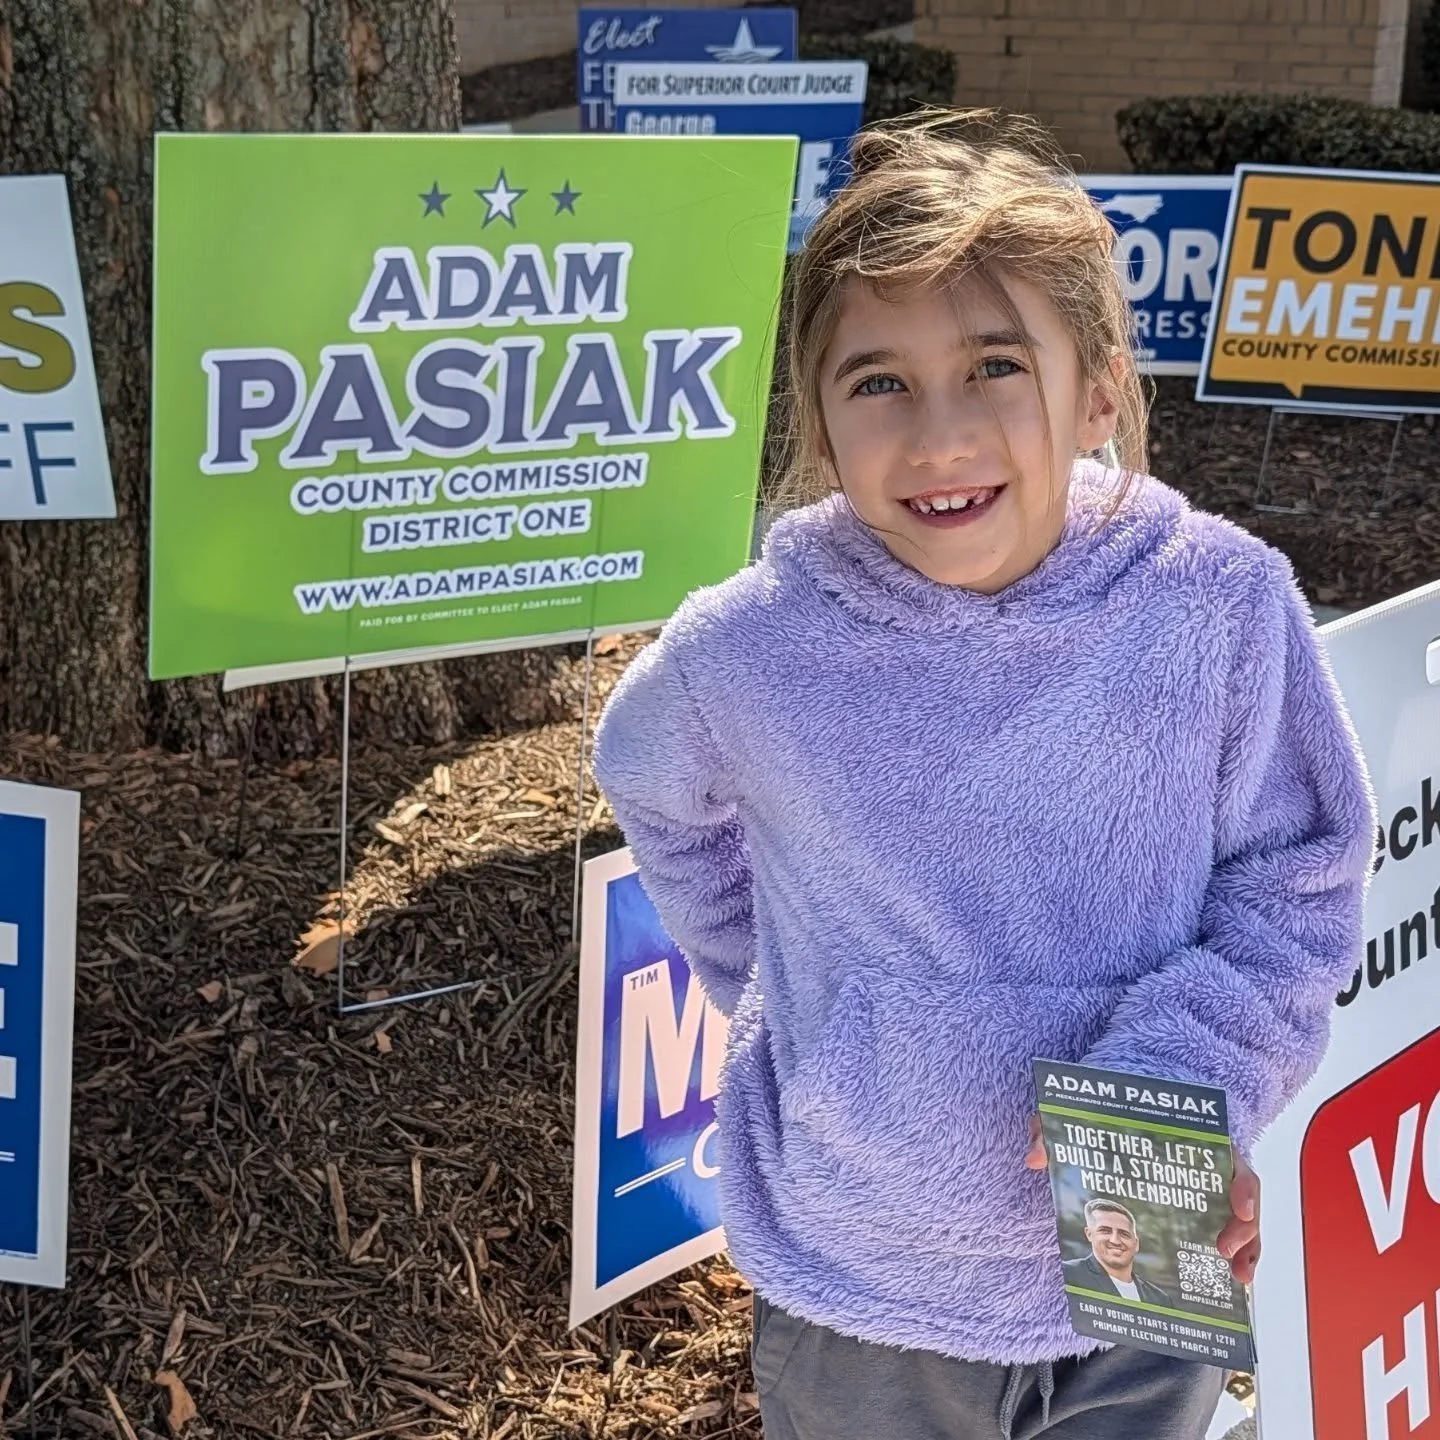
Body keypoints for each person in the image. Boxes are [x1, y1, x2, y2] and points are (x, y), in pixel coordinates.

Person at [591, 109, 1373, 1440]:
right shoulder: (752, 649)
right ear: (821, 425)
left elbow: (1298, 884)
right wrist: (778, 994)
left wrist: (1183, 1078)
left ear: (1099, 393)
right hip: (864, 1283)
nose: (938, 434)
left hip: (1139, 1251)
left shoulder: (1220, 611)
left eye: (995, 366)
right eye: (878, 381)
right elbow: (647, 778)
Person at [1061, 1200, 1172, 1305]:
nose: (1115, 1241)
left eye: (1124, 1234)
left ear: (1136, 1244)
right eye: (1105, 1231)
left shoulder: (1159, 1298)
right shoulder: (1065, 1273)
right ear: (1089, 1234)